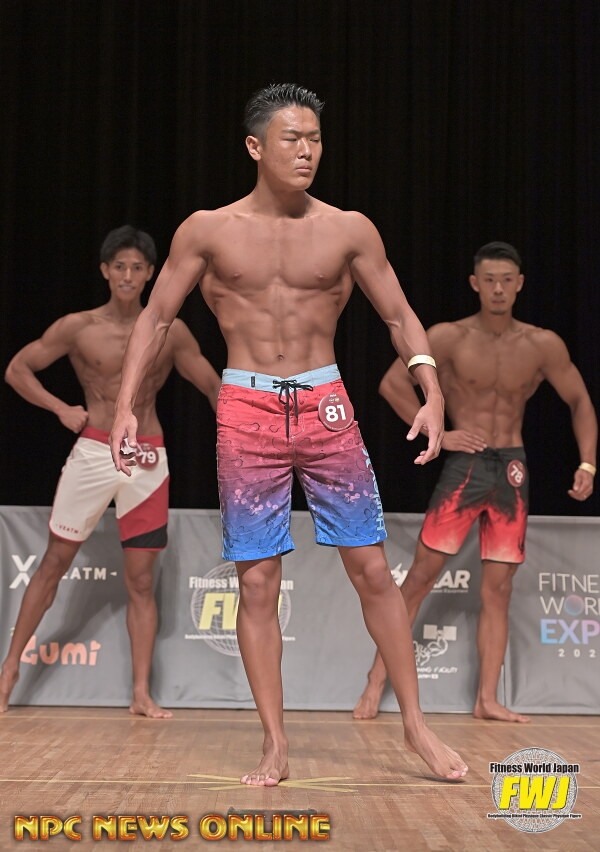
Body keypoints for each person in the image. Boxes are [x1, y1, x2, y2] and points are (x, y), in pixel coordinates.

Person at [109, 84, 468, 784]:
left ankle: (415, 726)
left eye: (315, 139)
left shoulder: (349, 229)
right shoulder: (207, 230)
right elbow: (155, 318)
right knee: (257, 581)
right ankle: (275, 741)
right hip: (246, 409)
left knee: (372, 568)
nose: (307, 152)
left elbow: (399, 316)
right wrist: (125, 406)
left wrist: (432, 390)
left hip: (326, 402)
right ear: (255, 147)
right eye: (292, 139)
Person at [353, 241, 597, 722]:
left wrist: (587, 464)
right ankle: (374, 683)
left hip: (511, 471)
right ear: (475, 284)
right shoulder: (448, 337)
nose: (498, 289)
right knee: (420, 578)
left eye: (507, 280)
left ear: (519, 284)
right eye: (489, 280)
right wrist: (441, 436)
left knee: (498, 590)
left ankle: (487, 699)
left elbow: (580, 400)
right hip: (466, 467)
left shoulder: (542, 344)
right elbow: (391, 384)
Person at [0, 225, 221, 718]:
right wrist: (60, 408)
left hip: (147, 456)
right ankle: (9, 670)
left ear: (150, 274)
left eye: (137, 267)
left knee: (140, 581)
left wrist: (239, 433)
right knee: (54, 562)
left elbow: (211, 384)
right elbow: (17, 368)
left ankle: (141, 693)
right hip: (95, 449)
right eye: (119, 266)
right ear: (105, 271)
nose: (127, 275)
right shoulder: (78, 327)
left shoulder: (170, 331)